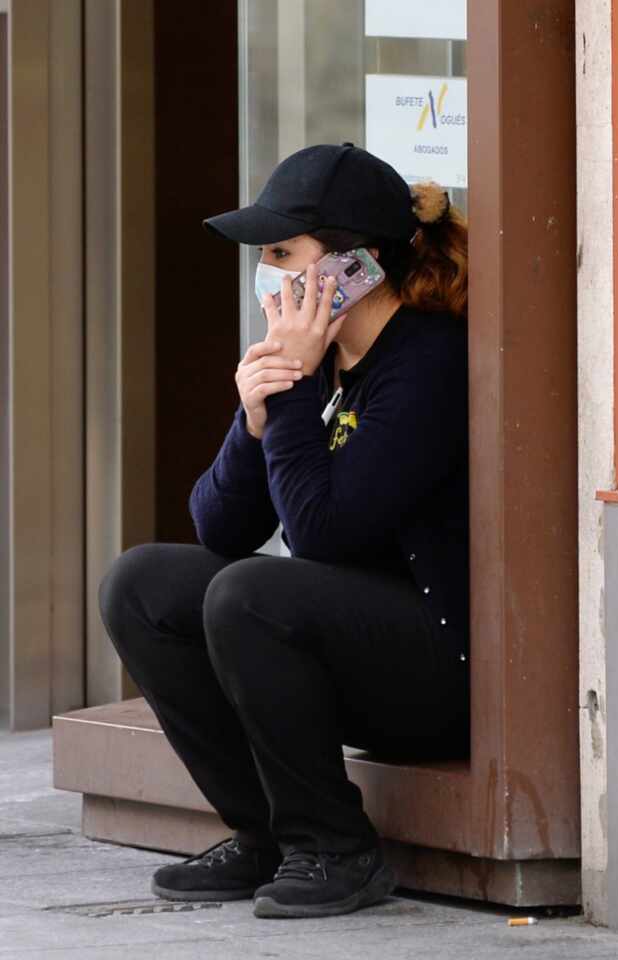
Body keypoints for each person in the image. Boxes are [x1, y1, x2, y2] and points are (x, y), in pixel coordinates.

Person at [97, 143, 471, 919]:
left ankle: (335, 848)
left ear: (356, 265)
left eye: (282, 252)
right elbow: (219, 527)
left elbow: (324, 533)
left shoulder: (428, 362)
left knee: (251, 595)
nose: (268, 275)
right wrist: (255, 420)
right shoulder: (321, 361)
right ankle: (266, 834)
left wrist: (294, 396)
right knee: (142, 584)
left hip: (439, 671)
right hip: (352, 642)